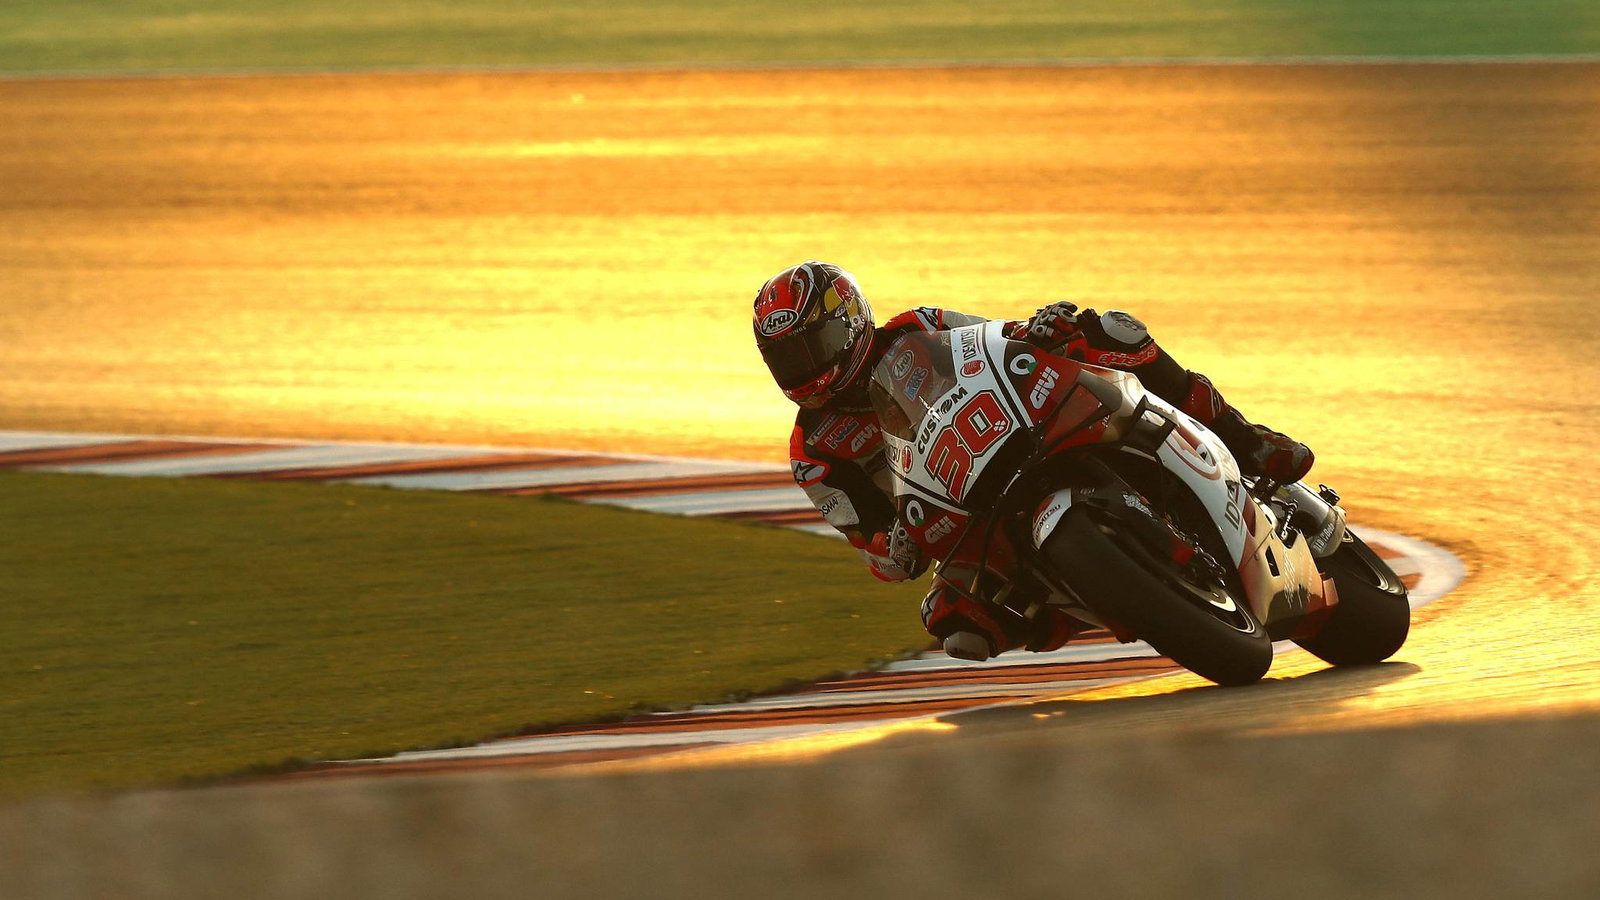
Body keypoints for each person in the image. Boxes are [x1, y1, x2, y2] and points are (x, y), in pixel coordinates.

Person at [754, 260, 1314, 659]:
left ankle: (1246, 440)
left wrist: (1040, 328)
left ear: (847, 324)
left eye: (808, 349)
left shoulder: (917, 327)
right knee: (953, 623)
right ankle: (1110, 598)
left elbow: (993, 338)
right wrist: (893, 546)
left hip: (1020, 429)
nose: (802, 370)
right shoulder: (814, 453)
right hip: (965, 519)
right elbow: (873, 549)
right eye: (785, 359)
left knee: (1110, 330)